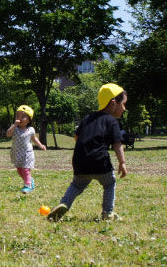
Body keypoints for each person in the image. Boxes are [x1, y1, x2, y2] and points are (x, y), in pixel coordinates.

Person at [48, 83, 128, 222]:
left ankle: (64, 204)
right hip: (100, 162)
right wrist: (122, 162)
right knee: (109, 184)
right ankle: (107, 213)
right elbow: (117, 144)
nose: (124, 108)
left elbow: (77, 137)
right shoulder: (111, 121)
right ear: (113, 103)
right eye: (124, 104)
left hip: (80, 161)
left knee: (76, 185)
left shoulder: (88, 118)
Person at [6, 105, 46, 193]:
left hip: (27, 153)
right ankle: (29, 180)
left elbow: (34, 138)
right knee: (19, 170)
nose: (19, 118)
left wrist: (40, 145)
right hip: (16, 152)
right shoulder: (15, 128)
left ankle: (27, 185)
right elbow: (8, 134)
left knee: (26, 169)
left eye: (23, 116)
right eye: (17, 116)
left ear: (29, 120)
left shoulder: (30, 129)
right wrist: (14, 124)